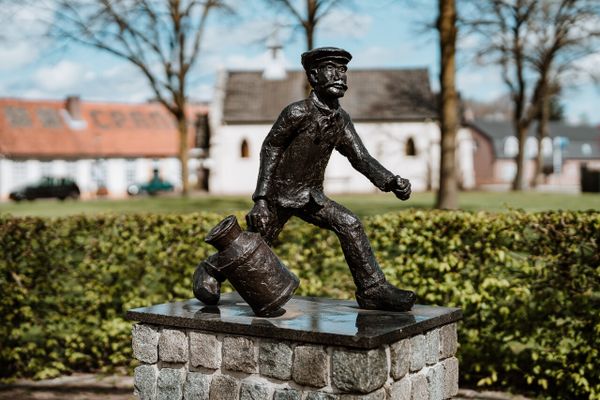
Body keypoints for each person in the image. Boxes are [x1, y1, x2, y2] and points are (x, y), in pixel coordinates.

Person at [195, 47, 416, 312]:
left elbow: (361, 158)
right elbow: (271, 148)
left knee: (349, 223)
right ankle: (211, 269)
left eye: (343, 70)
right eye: (331, 69)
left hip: (312, 197)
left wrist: (390, 182)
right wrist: (262, 199)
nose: (339, 76)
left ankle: (373, 290)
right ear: (313, 76)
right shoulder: (296, 112)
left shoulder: (341, 121)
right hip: (279, 196)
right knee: (255, 244)